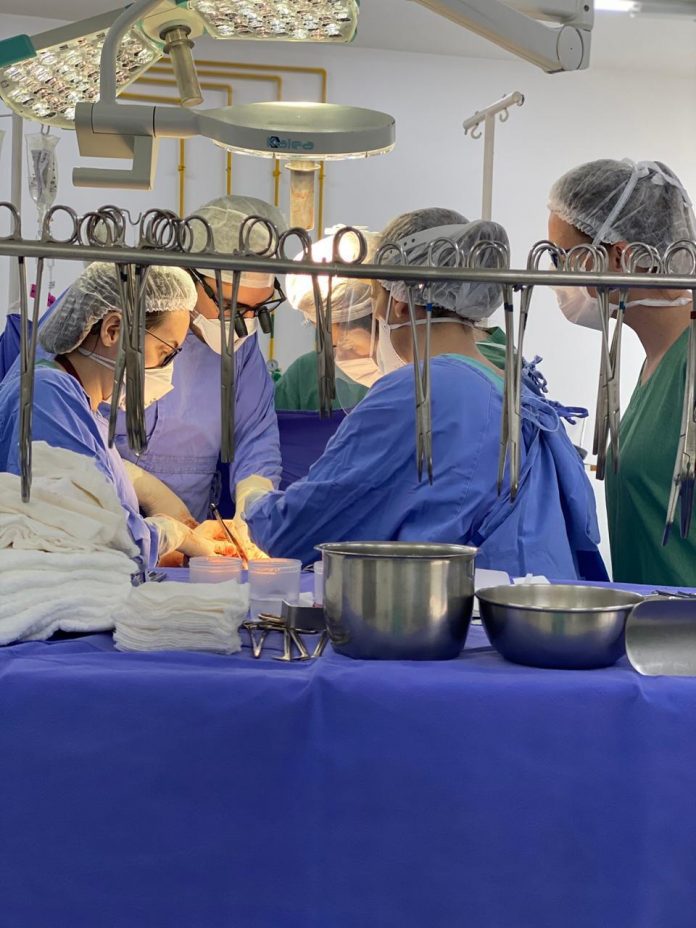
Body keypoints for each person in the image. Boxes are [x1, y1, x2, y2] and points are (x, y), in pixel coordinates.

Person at [234, 208, 604, 579]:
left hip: (466, 608)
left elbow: (300, 529)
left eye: (375, 298)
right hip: (532, 600)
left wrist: (253, 500)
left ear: (397, 303)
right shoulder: (515, 385)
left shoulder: (421, 391)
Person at [0, 263, 235, 569]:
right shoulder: (47, 396)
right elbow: (85, 532)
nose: (167, 370)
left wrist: (170, 544)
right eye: (165, 353)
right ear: (113, 330)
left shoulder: (87, 413)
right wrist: (172, 533)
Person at [111, 195, 287, 557]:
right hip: (104, 526)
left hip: (189, 542)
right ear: (187, 275)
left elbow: (255, 434)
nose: (243, 324)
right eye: (230, 306)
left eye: (257, 309)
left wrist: (252, 502)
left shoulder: (239, 346)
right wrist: (150, 493)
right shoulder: (110, 323)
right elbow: (70, 437)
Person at [548, 158, 696, 586]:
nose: (556, 274)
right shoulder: (656, 362)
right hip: (653, 624)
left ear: (620, 256)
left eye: (563, 256)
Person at [276, 232, 381, 412]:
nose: (341, 357)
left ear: (380, 320)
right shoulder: (305, 372)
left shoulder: (417, 376)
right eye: (332, 346)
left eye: (349, 346)